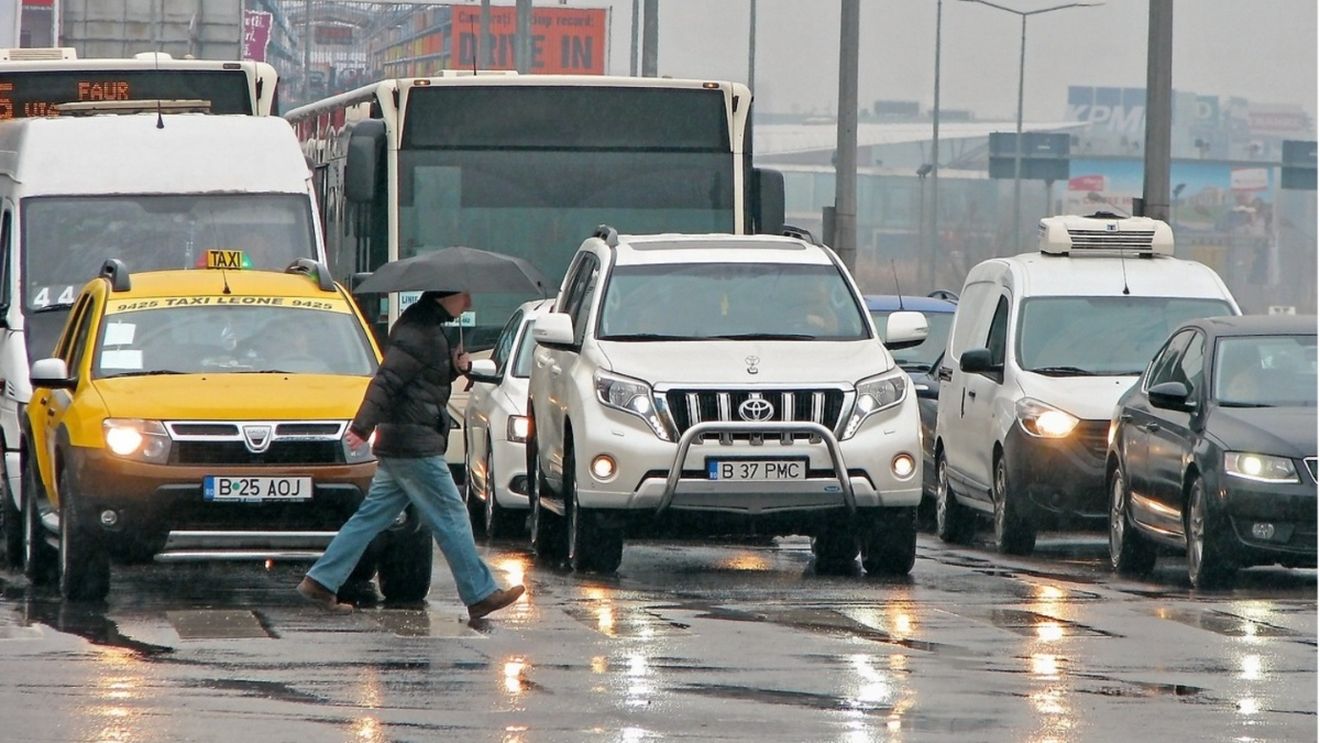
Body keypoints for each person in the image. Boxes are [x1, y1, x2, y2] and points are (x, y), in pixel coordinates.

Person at [297, 290, 525, 619]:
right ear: (447, 296)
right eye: (465, 297)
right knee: (452, 516)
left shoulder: (425, 329)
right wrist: (361, 426)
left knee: (370, 518)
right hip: (413, 443)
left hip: (404, 440)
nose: (470, 304)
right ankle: (479, 594)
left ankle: (320, 581)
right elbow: (386, 381)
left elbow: (418, 381)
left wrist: (454, 368)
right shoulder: (419, 333)